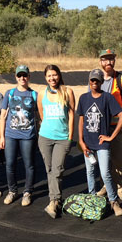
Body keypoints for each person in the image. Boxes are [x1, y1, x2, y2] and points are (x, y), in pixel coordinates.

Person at [77, 69, 122, 217]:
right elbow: (81, 119)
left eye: (97, 80)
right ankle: (92, 199)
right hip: (87, 142)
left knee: (105, 172)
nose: (94, 83)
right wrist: (80, 140)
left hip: (101, 143)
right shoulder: (84, 98)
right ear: (89, 81)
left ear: (101, 82)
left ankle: (113, 201)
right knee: (90, 172)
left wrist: (110, 137)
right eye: (92, 80)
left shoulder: (107, 98)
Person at [0, 65, 39, 206]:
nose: (22, 78)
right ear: (16, 77)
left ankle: (27, 192)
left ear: (29, 77)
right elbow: (2, 116)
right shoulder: (9, 93)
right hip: (11, 135)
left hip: (28, 135)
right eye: (19, 75)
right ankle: (12, 191)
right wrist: (0, 136)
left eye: (24, 75)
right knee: (10, 164)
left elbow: (41, 116)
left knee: (29, 165)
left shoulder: (34, 95)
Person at [37, 65, 75, 218]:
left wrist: (70, 137)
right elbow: (42, 114)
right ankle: (55, 200)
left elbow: (72, 114)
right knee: (49, 170)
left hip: (62, 138)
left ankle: (54, 201)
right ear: (45, 78)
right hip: (45, 137)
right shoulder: (42, 93)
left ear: (59, 75)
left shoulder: (67, 92)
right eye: (49, 76)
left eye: (54, 75)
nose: (52, 78)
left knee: (57, 170)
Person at [94, 49, 122, 202]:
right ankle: (105, 185)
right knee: (103, 159)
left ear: (114, 61)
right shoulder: (95, 78)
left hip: (116, 126)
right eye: (105, 59)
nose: (108, 62)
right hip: (99, 127)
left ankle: (119, 186)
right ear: (100, 62)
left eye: (111, 59)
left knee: (117, 158)